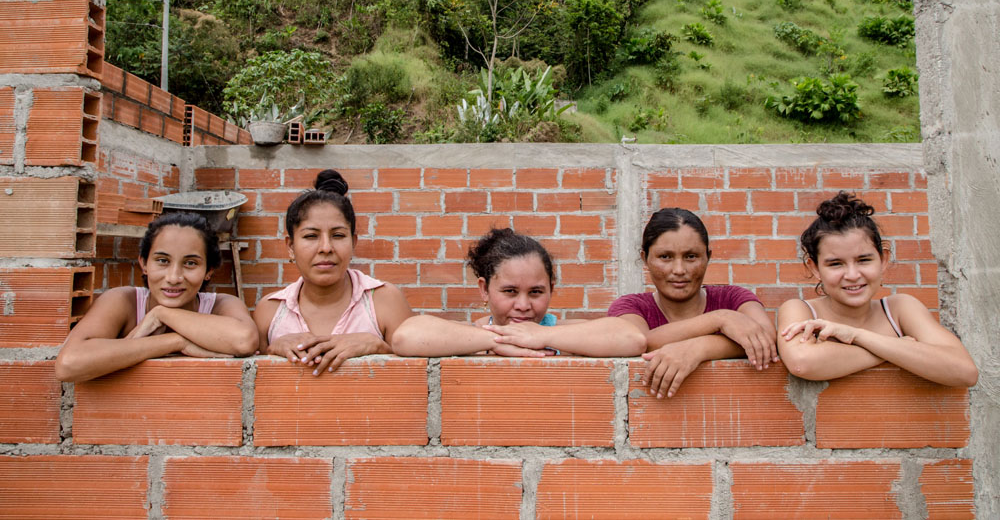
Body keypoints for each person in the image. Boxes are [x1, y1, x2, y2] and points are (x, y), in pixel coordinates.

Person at [777, 191, 978, 386]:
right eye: (836, 264)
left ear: (883, 260)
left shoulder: (900, 309)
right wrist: (900, 348)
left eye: (864, 260)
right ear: (815, 268)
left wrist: (856, 336)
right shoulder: (800, 311)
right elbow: (802, 363)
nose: (853, 275)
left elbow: (964, 371)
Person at [55, 212, 258, 382]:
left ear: (209, 271)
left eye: (190, 263)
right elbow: (68, 364)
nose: (174, 277)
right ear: (144, 264)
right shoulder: (124, 301)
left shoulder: (220, 305)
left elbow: (244, 340)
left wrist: (161, 314)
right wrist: (177, 342)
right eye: (162, 260)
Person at [253, 169, 413, 375]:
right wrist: (271, 350)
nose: (326, 248)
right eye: (311, 236)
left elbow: (414, 375)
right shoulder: (270, 311)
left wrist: (377, 346)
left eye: (338, 235)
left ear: (353, 243)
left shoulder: (382, 300)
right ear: (290, 246)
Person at [392, 228, 646, 357]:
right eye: (510, 291)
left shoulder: (560, 334)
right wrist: (499, 341)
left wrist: (543, 336)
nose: (523, 305)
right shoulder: (472, 336)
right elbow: (406, 336)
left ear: (551, 289)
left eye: (536, 292)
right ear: (484, 289)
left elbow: (632, 338)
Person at [608, 207, 778, 399]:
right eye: (665, 257)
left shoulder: (732, 298)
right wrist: (719, 319)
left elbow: (767, 337)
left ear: (708, 257)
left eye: (691, 257)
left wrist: (699, 348)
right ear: (645, 259)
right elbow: (643, 341)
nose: (679, 270)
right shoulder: (631, 306)